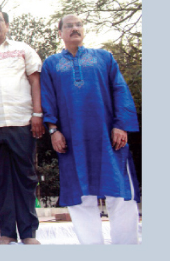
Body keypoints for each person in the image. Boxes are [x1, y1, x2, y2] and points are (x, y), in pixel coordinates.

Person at [41, 15, 140, 244]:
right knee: (80, 194)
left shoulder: (104, 57)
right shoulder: (52, 64)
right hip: (72, 140)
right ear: (60, 33)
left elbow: (119, 89)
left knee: (119, 191)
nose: (74, 29)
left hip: (108, 137)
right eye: (68, 26)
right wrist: (53, 130)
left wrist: (120, 125)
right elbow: (47, 98)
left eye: (78, 25)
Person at [0, 9, 43, 245]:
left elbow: (35, 81)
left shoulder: (23, 49)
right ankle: (6, 233)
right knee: (0, 180)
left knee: (25, 178)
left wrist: (37, 114)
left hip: (22, 122)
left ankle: (28, 233)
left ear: (7, 26)